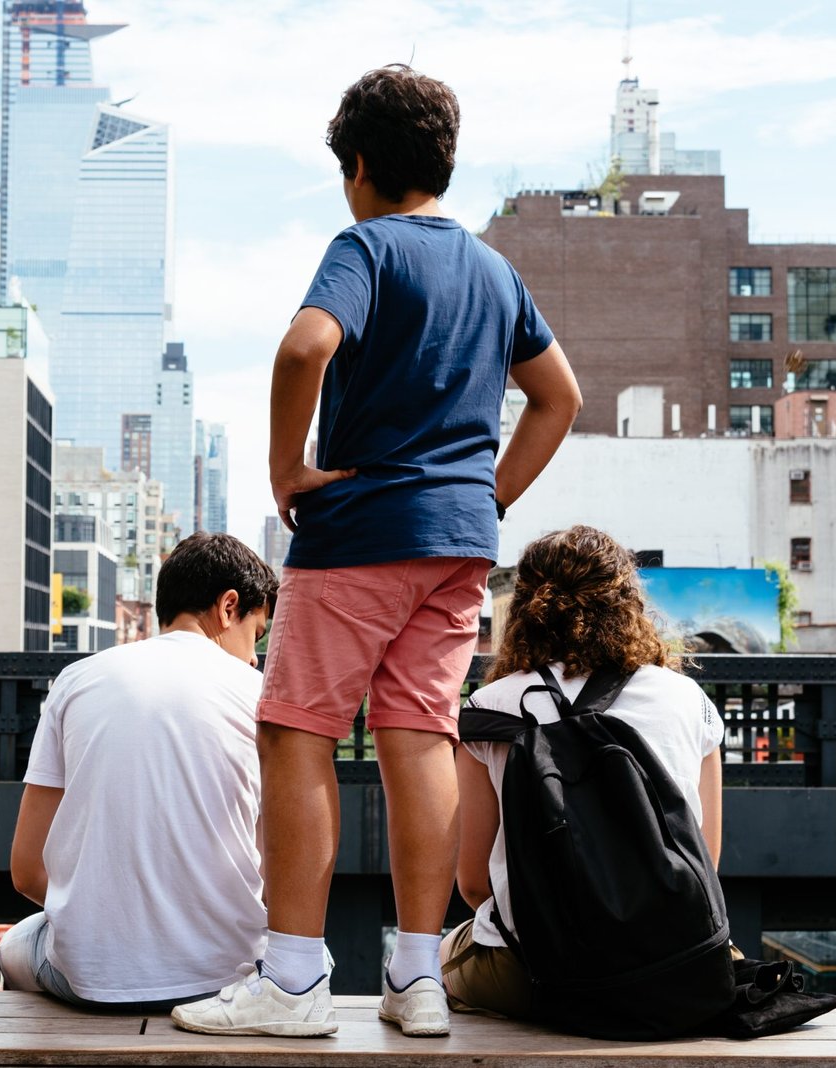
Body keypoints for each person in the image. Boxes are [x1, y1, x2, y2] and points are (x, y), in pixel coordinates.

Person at [172, 65, 580, 1039]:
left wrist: (283, 469)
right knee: (416, 739)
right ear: (440, 160)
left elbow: (303, 347)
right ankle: (415, 977)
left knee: (295, 730)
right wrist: (487, 496)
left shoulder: (365, 247)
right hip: (456, 549)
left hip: (357, 534)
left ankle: (294, 982)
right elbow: (558, 396)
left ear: (358, 165)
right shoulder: (493, 270)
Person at [444, 526, 725, 1018]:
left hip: (538, 975)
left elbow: (473, 884)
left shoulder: (491, 707)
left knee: (426, 964)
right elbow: (707, 858)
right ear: (629, 604)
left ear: (525, 610)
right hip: (673, 969)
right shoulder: (689, 701)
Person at [1, 533, 276, 1012]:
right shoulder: (259, 696)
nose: (255, 656)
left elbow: (27, 872)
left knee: (10, 946)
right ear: (228, 607)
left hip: (87, 979)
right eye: (256, 634)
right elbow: (276, 872)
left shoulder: (77, 679)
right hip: (226, 980)